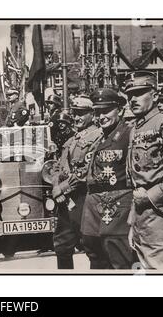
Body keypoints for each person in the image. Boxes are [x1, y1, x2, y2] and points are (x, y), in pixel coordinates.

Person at [125, 71, 163, 269]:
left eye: (140, 92)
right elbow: (137, 180)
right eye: (130, 95)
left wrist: (152, 196)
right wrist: (133, 220)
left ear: (155, 95)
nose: (133, 99)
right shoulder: (136, 128)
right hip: (142, 219)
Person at [80, 88, 135, 269]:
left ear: (119, 110)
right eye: (97, 112)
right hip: (94, 208)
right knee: (95, 256)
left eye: (106, 111)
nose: (101, 116)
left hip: (117, 207)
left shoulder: (129, 134)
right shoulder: (99, 137)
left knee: (118, 258)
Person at [51, 96, 103, 269]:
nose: (77, 117)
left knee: (92, 245)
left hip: (84, 197)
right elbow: (57, 166)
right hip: (65, 199)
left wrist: (62, 189)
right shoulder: (72, 139)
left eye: (81, 113)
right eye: (75, 113)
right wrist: (55, 187)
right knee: (62, 246)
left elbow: (86, 171)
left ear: (92, 114)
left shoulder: (97, 137)